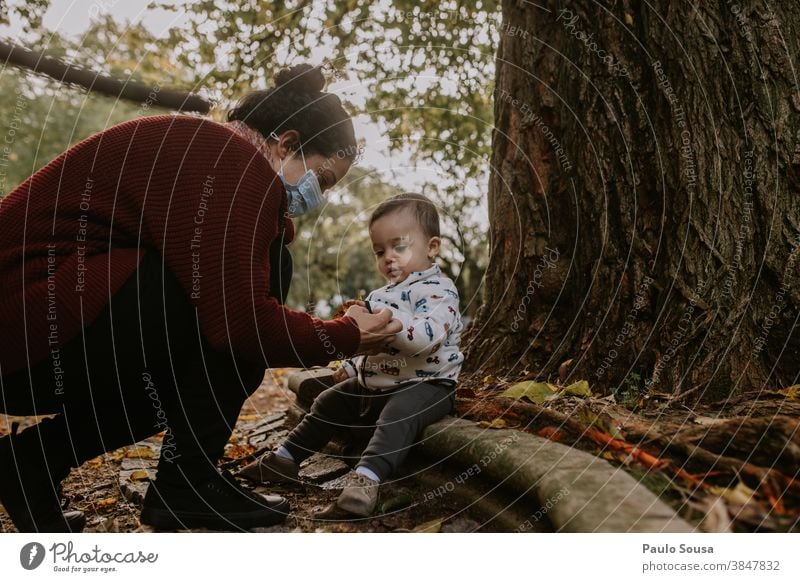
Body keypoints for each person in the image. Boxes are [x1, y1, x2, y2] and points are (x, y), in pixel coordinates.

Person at [0, 64, 401, 532]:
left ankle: (32, 463)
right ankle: (186, 482)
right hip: (26, 324)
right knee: (247, 299)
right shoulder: (230, 160)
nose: (320, 196)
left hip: (36, 337)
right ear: (287, 143)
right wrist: (346, 336)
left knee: (233, 307)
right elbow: (241, 325)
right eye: (324, 179)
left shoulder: (219, 155)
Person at [240, 193, 464, 517]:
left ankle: (364, 483)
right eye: (379, 251)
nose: (388, 257)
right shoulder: (379, 295)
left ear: (431, 247)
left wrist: (391, 327)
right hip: (375, 382)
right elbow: (366, 342)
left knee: (397, 416)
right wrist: (351, 363)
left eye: (399, 246)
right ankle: (284, 459)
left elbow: (427, 339)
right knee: (328, 402)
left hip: (426, 384)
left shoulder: (439, 290)